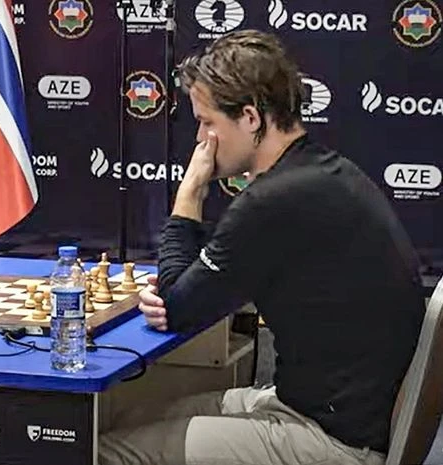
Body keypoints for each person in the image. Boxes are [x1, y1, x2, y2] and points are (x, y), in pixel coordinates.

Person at [99, 30, 425, 465]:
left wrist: (191, 190)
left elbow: (176, 308)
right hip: (324, 410)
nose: (201, 140)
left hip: (334, 441)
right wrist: (183, 294)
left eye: (208, 122)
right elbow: (187, 295)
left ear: (251, 117)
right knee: (125, 416)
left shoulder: (274, 199)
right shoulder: (325, 173)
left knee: (101, 451)